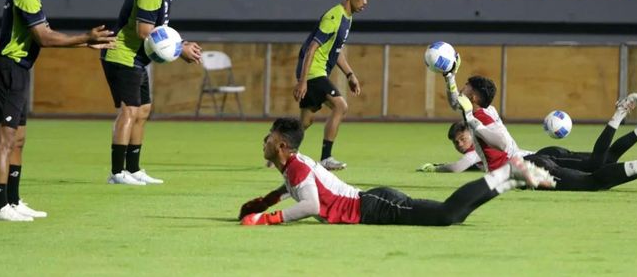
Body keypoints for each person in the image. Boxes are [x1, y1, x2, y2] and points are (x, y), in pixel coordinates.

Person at [238, 118, 555, 226]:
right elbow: (293, 189)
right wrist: (265, 202)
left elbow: (310, 205)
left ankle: (506, 175)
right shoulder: (295, 165)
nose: (263, 140)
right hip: (374, 204)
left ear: (281, 145)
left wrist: (268, 219)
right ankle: (508, 180)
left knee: (446, 214)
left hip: (374, 206)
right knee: (451, 217)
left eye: (269, 137)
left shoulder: (295, 167)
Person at [0, 0, 116, 221]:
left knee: (19, 139)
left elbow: (47, 34)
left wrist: (84, 44)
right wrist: (85, 37)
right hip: (9, 68)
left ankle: (12, 200)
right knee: (5, 139)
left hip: (18, 70)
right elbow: (44, 38)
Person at [435, 75, 637, 191]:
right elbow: (456, 101)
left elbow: (499, 141)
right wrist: (450, 77)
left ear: (474, 97)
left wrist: (471, 121)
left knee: (593, 180)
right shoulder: (483, 109)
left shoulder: (477, 116)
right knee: (599, 166)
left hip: (528, 168)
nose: (461, 91)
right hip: (532, 161)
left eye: (465, 88)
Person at [100, 0, 202, 186]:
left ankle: (133, 169)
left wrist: (182, 42)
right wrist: (180, 50)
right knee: (129, 111)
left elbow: (161, 30)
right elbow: (146, 31)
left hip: (137, 58)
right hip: (122, 54)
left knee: (143, 110)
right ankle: (117, 173)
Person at [419, 96, 637, 174]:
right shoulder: (480, 145)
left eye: (462, 138)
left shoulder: (475, 148)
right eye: (456, 142)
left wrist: (434, 168)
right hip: (546, 156)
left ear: (470, 134)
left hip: (543, 159)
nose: (460, 144)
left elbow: (457, 167)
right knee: (605, 160)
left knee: (597, 165)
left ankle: (621, 112)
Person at [292, 0, 369, 170]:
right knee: (340, 106)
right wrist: (303, 81)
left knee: (305, 121)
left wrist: (350, 74)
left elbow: (336, 50)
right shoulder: (334, 17)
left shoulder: (347, 18)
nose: (365, 2)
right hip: (313, 72)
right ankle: (326, 158)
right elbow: (311, 48)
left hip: (315, 72)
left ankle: (278, 145)